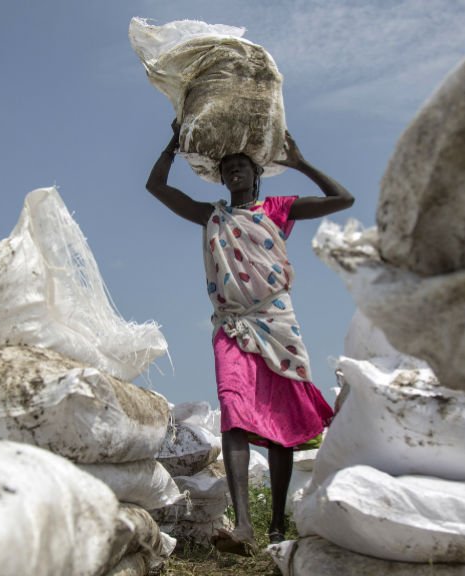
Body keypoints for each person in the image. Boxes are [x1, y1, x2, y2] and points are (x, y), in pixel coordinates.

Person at [146, 121, 354, 555]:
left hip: (277, 325)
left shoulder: (277, 209)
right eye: (229, 168)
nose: (236, 172)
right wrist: (172, 145)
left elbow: (342, 198)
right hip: (231, 324)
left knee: (279, 424)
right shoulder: (212, 216)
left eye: (243, 166)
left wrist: (300, 163)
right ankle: (243, 526)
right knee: (235, 410)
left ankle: (276, 526)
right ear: (222, 178)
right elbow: (157, 187)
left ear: (255, 175)